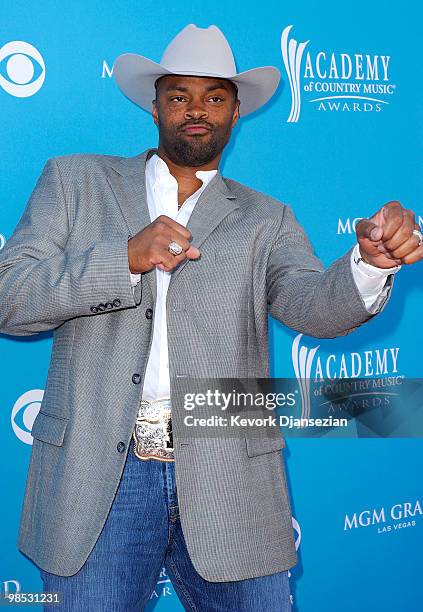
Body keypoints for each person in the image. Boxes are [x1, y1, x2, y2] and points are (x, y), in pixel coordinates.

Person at [0, 23, 421, 612]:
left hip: (232, 479)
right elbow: (8, 297)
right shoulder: (76, 182)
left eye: (214, 97)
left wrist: (368, 264)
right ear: (154, 107)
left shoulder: (266, 218)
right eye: (179, 96)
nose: (196, 110)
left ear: (236, 111)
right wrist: (122, 258)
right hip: (98, 481)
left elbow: (312, 304)